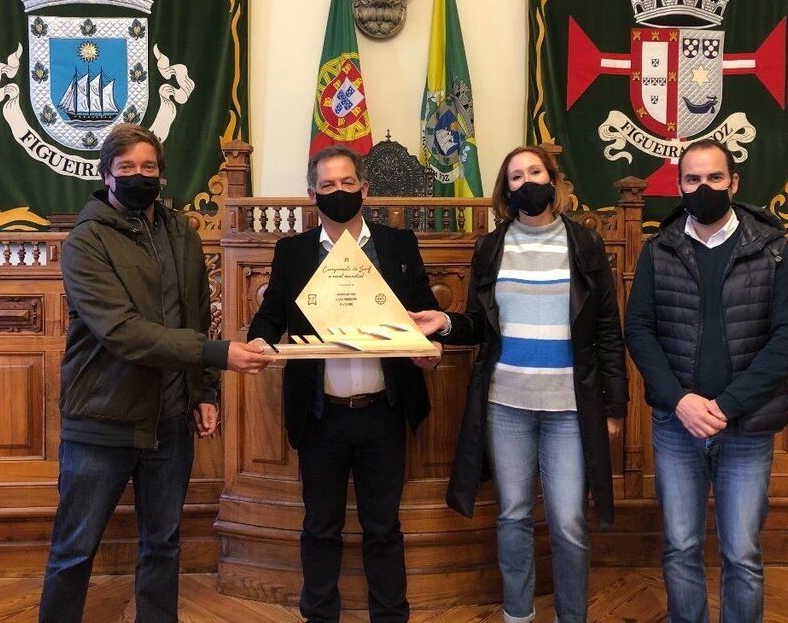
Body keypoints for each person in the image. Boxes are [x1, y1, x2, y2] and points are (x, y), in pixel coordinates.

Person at [39, 124, 271, 623]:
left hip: (170, 420)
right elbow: (122, 331)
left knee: (163, 545)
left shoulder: (181, 233)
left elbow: (196, 315)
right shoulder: (85, 241)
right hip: (102, 419)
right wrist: (217, 355)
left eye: (148, 167)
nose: (138, 176)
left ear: (161, 174)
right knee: (75, 549)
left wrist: (204, 390)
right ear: (106, 174)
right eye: (126, 168)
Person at [412, 146, 628, 623]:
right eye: (516, 176)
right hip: (506, 405)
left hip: (570, 407)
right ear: (506, 190)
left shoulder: (585, 244)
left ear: (553, 180)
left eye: (535, 172)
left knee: (568, 521)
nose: (526, 181)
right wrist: (444, 322)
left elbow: (608, 330)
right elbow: (478, 323)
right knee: (512, 514)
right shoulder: (492, 246)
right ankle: (518, 614)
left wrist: (615, 407)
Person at [246, 144, 442, 623]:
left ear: (364, 189)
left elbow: (424, 315)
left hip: (383, 411)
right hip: (321, 415)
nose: (339, 192)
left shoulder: (398, 245)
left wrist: (428, 351)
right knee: (320, 526)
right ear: (312, 194)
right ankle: (319, 615)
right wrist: (256, 341)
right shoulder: (293, 252)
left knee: (383, 526)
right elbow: (270, 316)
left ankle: (390, 615)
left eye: (347, 183)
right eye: (328, 185)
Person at [624, 139, 788, 623]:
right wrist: (679, 400)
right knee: (680, 546)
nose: (703, 187)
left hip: (746, 428)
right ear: (679, 185)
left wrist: (727, 404)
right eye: (692, 179)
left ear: (734, 183)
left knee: (742, 554)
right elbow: (639, 331)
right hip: (677, 427)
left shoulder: (771, 249)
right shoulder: (658, 249)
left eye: (714, 178)